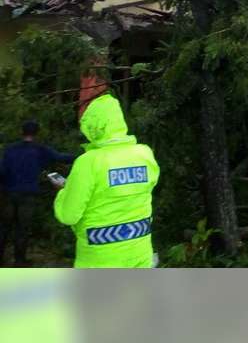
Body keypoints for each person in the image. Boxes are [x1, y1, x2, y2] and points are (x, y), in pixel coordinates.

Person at [54, 92, 159, 268]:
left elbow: (68, 215)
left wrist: (63, 193)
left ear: (92, 126)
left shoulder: (88, 162)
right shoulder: (144, 154)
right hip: (140, 255)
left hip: (99, 259)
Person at [0, 120, 76, 267]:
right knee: (22, 229)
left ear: (21, 132)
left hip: (9, 193)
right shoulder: (40, 149)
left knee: (4, 227)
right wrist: (83, 155)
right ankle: (19, 261)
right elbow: (60, 157)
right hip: (28, 195)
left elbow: (2, 171)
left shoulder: (10, 149)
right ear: (37, 133)